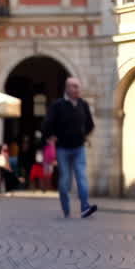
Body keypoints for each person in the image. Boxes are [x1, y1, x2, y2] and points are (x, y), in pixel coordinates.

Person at [42, 77, 97, 219]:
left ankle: (85, 207)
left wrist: (84, 135)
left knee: (81, 177)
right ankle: (66, 208)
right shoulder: (58, 105)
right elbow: (47, 123)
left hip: (79, 148)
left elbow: (90, 124)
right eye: (73, 86)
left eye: (78, 86)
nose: (77, 89)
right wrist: (51, 136)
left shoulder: (83, 105)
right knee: (65, 179)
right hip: (63, 149)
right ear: (67, 88)